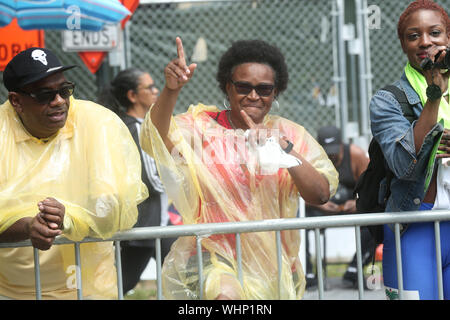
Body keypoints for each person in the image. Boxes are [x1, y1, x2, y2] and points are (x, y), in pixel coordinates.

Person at [139, 37, 339, 300]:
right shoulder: (201, 128)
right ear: (227, 87)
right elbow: (154, 137)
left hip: (272, 265)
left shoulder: (289, 134)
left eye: (264, 89)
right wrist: (171, 90)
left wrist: (284, 149)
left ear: (275, 92)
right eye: (243, 87)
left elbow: (320, 194)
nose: (253, 96)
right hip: (212, 255)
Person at [0, 47, 148, 299]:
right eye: (44, 94)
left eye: (64, 90)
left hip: (89, 290)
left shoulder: (97, 124)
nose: (58, 100)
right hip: (14, 292)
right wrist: (26, 227)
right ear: (16, 101)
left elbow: (115, 208)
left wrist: (67, 218)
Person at [370, 0, 450, 299]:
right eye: (413, 35)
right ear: (403, 43)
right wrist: (434, 94)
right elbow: (404, 164)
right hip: (415, 225)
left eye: (435, 33)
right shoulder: (388, 100)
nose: (425, 42)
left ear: (448, 38)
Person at [97, 68, 177, 295]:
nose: (156, 91)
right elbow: (150, 179)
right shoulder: (137, 128)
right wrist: (180, 183)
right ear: (133, 96)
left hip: (157, 222)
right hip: (144, 224)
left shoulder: (132, 125)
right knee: (121, 284)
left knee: (184, 273)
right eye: (150, 87)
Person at [304, 125, 373, 289]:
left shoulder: (356, 155)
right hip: (321, 207)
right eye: (327, 151)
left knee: (376, 219)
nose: (332, 155)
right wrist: (318, 203)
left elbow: (371, 189)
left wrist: (358, 203)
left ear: (342, 144)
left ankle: (355, 267)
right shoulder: (310, 158)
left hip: (351, 207)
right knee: (298, 219)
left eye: (335, 150)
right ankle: (308, 273)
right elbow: (299, 194)